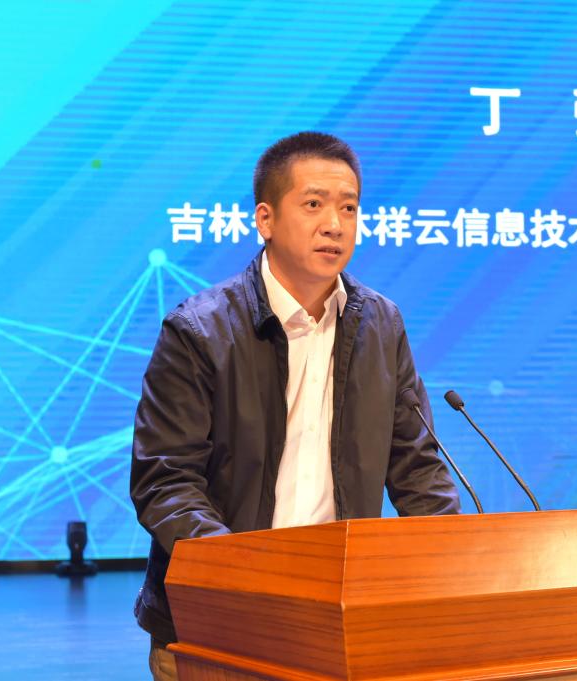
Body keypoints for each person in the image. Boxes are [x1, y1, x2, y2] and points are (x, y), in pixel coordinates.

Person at [129, 131, 461, 681]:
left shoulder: (381, 324)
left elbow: (415, 464)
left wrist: (456, 563)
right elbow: (165, 481)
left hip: (340, 620)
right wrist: (247, 577)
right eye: (313, 204)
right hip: (215, 624)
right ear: (265, 218)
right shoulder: (198, 331)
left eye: (348, 208)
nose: (335, 224)